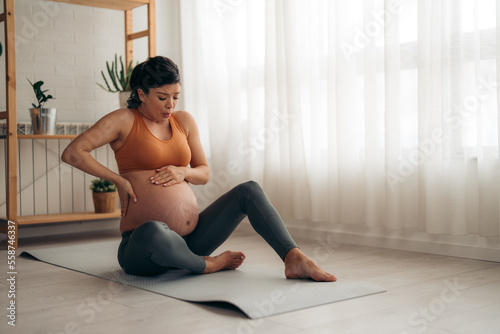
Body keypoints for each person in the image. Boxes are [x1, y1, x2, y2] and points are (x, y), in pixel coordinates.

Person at [62, 56, 336, 282]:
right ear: (142, 94)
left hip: (191, 240)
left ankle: (294, 258)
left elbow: (203, 172)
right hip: (143, 247)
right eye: (162, 97)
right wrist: (118, 181)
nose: (170, 105)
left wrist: (184, 172)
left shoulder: (184, 121)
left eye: (175, 96)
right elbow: (73, 153)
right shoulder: (124, 119)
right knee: (153, 231)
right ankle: (207, 265)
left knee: (248, 191)